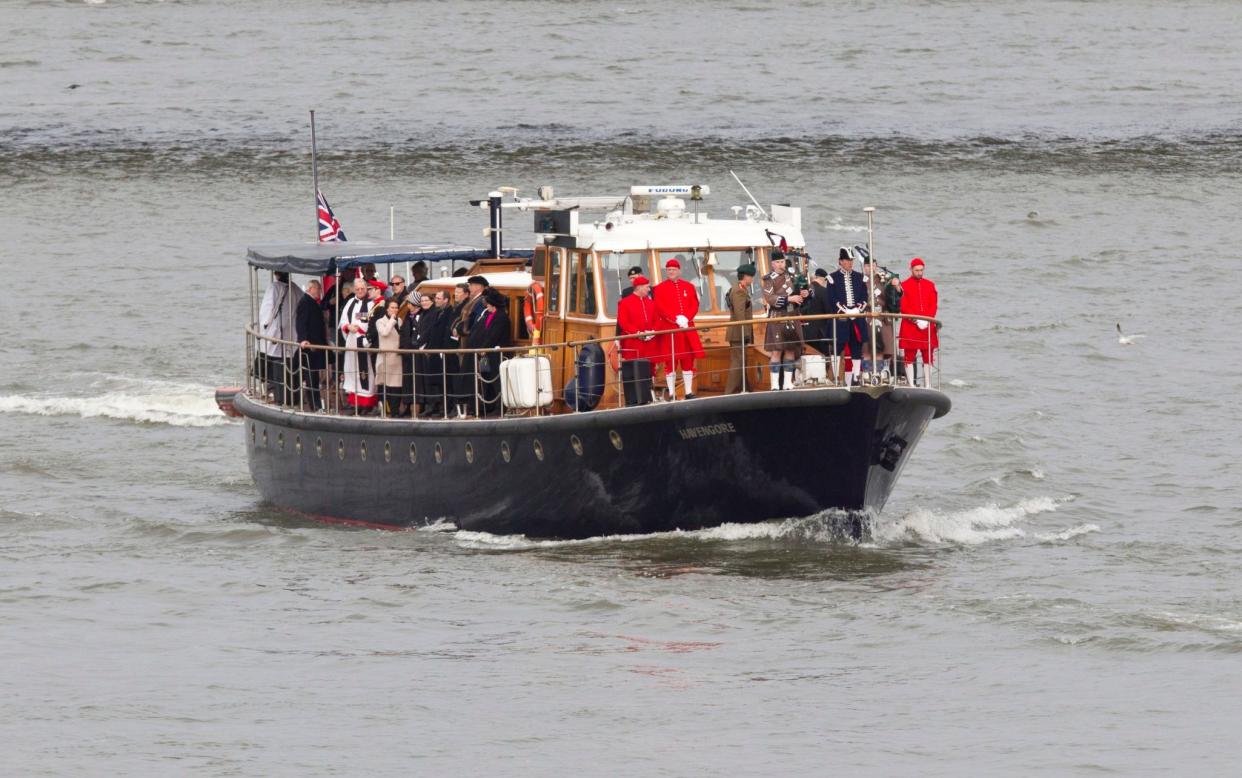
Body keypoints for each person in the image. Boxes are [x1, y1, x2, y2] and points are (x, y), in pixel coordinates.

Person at [652, 257, 705, 399]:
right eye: (668, 270)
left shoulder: (689, 286)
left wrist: (686, 318)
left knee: (688, 360)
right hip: (671, 329)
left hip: (687, 327)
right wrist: (675, 319)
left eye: (673, 270)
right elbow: (660, 307)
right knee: (671, 362)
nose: (671, 272)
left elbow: (694, 304)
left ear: (679, 271)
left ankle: (688, 391)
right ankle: (672, 393)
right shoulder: (659, 288)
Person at [761, 252, 807, 390]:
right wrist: (788, 299)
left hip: (792, 315)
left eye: (782, 262)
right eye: (778, 262)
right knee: (776, 351)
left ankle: (788, 383)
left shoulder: (792, 276)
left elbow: (802, 292)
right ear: (773, 264)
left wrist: (805, 294)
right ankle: (775, 385)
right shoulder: (769, 279)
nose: (781, 265)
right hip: (777, 317)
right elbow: (769, 298)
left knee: (790, 350)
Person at [258, 271, 303, 405]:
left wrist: (265, 331)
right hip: (292, 334)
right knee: (293, 369)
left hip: (277, 334)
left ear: (277, 274)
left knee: (278, 369)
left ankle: (280, 398)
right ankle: (294, 397)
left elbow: (266, 312)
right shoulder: (295, 288)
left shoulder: (274, 288)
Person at [465, 287, 511, 418]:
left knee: (497, 381)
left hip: (496, 354)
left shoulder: (501, 318)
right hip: (486, 355)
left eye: (489, 304)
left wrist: (484, 348)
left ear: (494, 305)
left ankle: (500, 407)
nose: (487, 306)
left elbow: (493, 335)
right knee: (487, 380)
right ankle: (489, 406)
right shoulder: (489, 315)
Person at [829, 247, 870, 387]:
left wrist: (858, 309)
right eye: (847, 260)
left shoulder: (860, 277)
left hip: (857, 318)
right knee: (838, 346)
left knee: (857, 347)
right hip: (842, 319)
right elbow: (832, 299)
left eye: (851, 260)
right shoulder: (832, 278)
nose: (849, 263)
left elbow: (865, 296)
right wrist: (845, 310)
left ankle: (856, 376)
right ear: (840, 261)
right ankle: (836, 377)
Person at [898, 257, 939, 388]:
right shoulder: (904, 285)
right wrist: (916, 320)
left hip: (927, 325)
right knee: (909, 355)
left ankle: (928, 384)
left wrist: (927, 319)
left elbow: (934, 304)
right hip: (911, 325)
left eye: (921, 270)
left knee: (928, 355)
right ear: (911, 269)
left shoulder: (930, 285)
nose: (920, 273)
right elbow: (903, 306)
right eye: (917, 270)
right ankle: (911, 384)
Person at [338, 278, 378, 411]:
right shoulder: (350, 302)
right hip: (351, 341)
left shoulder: (372, 304)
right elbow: (343, 321)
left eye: (362, 289)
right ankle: (354, 401)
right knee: (352, 370)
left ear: (366, 289)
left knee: (366, 371)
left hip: (364, 342)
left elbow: (370, 323)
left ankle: (367, 403)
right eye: (357, 289)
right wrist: (348, 326)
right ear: (354, 290)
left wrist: (361, 330)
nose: (360, 291)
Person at [417, 290, 453, 418]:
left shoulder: (448, 313)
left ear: (446, 300)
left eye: (438, 298)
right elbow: (432, 332)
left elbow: (444, 332)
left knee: (444, 381)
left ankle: (445, 407)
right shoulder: (438, 312)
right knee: (436, 381)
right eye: (436, 298)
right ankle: (437, 406)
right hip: (433, 350)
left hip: (442, 351)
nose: (436, 300)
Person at [862, 253, 903, 363]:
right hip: (866, 317)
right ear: (864, 267)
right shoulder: (860, 281)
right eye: (867, 266)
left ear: (875, 266)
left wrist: (895, 284)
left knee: (882, 349)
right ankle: (866, 375)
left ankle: (880, 374)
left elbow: (896, 294)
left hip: (882, 318)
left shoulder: (883, 279)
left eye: (873, 265)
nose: (870, 268)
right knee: (866, 349)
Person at [295, 278, 328, 411]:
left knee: (313, 376)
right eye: (318, 289)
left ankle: (316, 404)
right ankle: (315, 405)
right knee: (311, 377)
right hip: (310, 346)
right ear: (311, 289)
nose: (320, 291)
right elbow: (301, 322)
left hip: (316, 345)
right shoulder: (305, 302)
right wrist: (302, 339)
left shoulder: (311, 302)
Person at [725, 263, 757, 394]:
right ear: (745, 277)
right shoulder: (739, 290)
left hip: (739, 332)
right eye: (751, 276)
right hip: (739, 332)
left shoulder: (740, 289)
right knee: (738, 363)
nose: (752, 279)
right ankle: (729, 393)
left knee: (742, 361)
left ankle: (746, 389)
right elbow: (739, 313)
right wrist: (745, 332)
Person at [374, 299, 405, 417]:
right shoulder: (380, 321)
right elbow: (385, 333)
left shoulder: (400, 320)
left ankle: (395, 411)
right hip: (385, 358)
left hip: (396, 359)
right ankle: (383, 410)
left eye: (396, 307)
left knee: (396, 386)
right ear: (387, 309)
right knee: (383, 385)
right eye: (392, 307)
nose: (395, 310)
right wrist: (392, 320)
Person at [616, 275, 657, 361]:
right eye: (647, 287)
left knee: (651, 369)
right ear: (639, 288)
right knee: (634, 369)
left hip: (650, 343)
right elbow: (623, 322)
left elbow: (657, 320)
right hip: (633, 342)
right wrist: (637, 333)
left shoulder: (651, 302)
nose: (649, 289)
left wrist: (652, 331)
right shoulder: (624, 303)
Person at [800, 267, 833, 357]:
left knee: (808, 357)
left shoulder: (804, 289)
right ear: (823, 279)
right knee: (822, 358)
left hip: (804, 332)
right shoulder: (824, 291)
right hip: (820, 333)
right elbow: (828, 311)